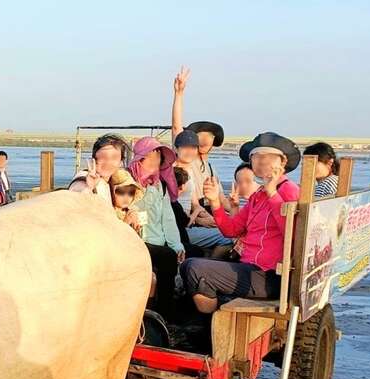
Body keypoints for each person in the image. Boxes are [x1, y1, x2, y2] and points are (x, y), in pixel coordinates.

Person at [180, 132, 301, 314]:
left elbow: (294, 233)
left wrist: (272, 194)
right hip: (247, 266)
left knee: (196, 269)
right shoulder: (257, 196)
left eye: (266, 156)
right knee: (190, 265)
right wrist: (215, 202)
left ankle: (208, 326)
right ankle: (208, 321)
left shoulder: (289, 191)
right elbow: (232, 229)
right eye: (255, 156)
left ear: (282, 162)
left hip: (268, 275)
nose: (260, 161)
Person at [171, 67, 231, 254]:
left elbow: (202, 202)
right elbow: (176, 128)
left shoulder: (205, 168)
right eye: (201, 138)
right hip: (183, 224)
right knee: (229, 237)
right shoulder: (179, 165)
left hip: (200, 217)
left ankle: (208, 268)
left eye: (209, 138)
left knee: (233, 233)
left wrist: (230, 213)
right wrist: (179, 93)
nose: (205, 141)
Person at [129, 136, 184, 319]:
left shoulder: (160, 186)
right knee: (167, 257)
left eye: (158, 157)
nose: (154, 162)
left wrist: (177, 245)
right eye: (149, 157)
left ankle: (169, 311)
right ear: (139, 159)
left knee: (184, 251)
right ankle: (164, 313)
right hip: (136, 241)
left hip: (157, 241)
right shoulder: (127, 182)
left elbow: (168, 219)